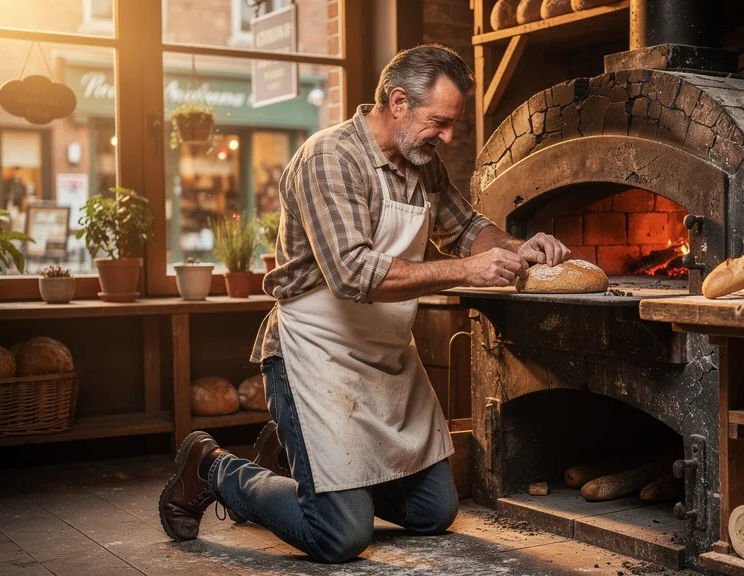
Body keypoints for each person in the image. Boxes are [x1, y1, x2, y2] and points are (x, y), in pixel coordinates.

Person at [159, 44, 571, 563]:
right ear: (398, 102)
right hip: (315, 353)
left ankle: (294, 459)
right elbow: (353, 273)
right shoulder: (330, 157)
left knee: (432, 513)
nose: (447, 137)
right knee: (340, 536)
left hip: (386, 355)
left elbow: (464, 229)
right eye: (439, 123)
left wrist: (517, 246)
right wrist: (467, 272)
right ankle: (214, 467)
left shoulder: (423, 163)